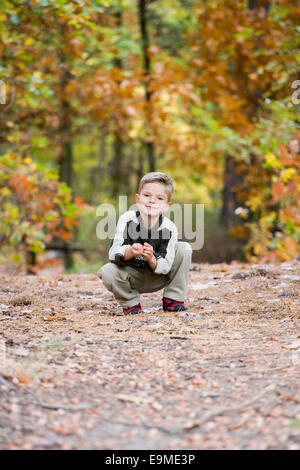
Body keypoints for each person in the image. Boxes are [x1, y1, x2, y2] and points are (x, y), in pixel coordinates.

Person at [97, 172, 192, 315]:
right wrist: (129, 252)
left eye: (159, 198)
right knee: (106, 271)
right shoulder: (127, 220)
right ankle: (131, 303)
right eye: (146, 195)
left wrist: (153, 260)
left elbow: (166, 265)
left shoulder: (169, 228)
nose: (152, 201)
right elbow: (113, 252)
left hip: (158, 277)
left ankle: (173, 298)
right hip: (131, 276)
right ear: (138, 199)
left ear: (167, 206)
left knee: (184, 248)